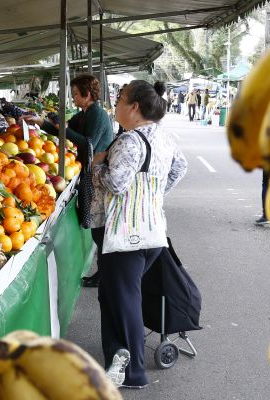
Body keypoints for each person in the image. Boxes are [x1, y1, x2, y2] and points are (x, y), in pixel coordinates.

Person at [91, 80, 187, 389]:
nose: (115, 105)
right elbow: (179, 168)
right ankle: (117, 359)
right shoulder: (163, 137)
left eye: (119, 99)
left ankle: (132, 373)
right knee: (117, 297)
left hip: (124, 235)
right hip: (152, 232)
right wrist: (154, 195)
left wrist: (98, 164)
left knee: (124, 301)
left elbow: (117, 183)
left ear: (134, 107)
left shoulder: (130, 141)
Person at [59, 75, 114, 289]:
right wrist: (45, 124)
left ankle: (105, 273)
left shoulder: (98, 115)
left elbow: (87, 142)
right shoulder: (84, 114)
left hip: (99, 176)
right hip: (90, 172)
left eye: (75, 94)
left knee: (100, 226)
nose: (73, 99)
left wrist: (61, 128)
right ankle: (104, 271)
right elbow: (66, 129)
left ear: (87, 95)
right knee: (96, 225)